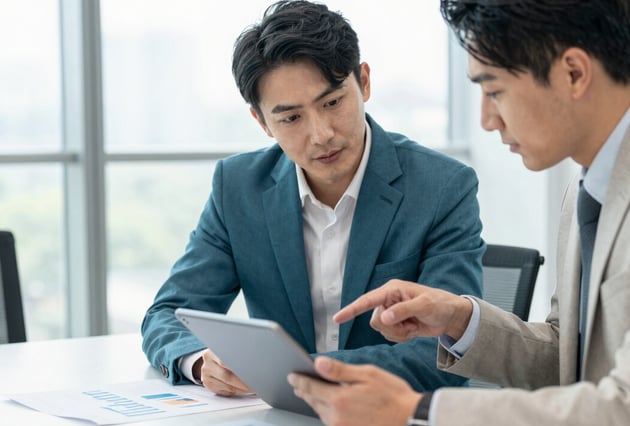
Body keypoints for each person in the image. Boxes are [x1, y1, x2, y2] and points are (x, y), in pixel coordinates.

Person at [287, 1, 630, 426]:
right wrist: (459, 320)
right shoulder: (590, 178)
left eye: (494, 90)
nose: (486, 120)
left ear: (574, 73)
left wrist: (417, 417)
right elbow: (571, 356)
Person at [141, 0, 484, 396]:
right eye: (291, 118)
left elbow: (446, 354)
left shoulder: (442, 187)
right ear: (262, 122)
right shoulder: (238, 187)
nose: (321, 134)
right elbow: (168, 314)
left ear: (365, 82)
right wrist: (201, 361)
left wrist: (293, 372)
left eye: (333, 102)